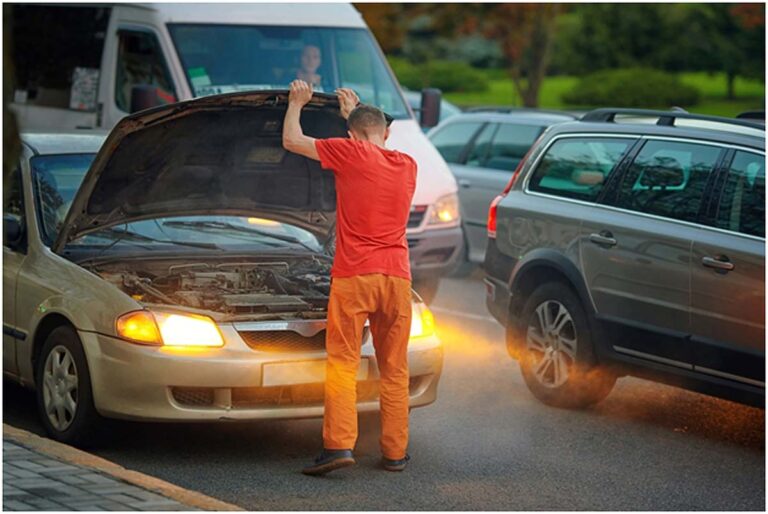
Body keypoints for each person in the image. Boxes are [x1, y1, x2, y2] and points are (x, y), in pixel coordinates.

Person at [282, 80, 417, 476]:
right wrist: (352, 114)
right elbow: (369, 138)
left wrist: (297, 103)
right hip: (397, 278)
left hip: (355, 275)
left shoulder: (348, 153)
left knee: (343, 363)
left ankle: (339, 446)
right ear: (387, 134)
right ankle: (394, 452)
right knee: (395, 368)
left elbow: (292, 140)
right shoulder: (408, 164)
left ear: (349, 136)